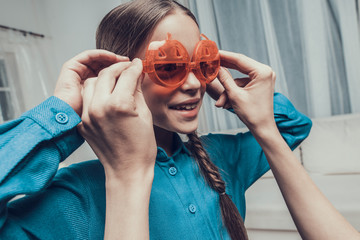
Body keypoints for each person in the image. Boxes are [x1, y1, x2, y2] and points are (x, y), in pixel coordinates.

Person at [0, 0, 358, 239]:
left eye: (201, 63)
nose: (192, 85)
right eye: (170, 66)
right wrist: (63, 114)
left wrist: (226, 85)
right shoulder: (74, 196)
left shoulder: (222, 157)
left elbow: (293, 124)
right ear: (119, 75)